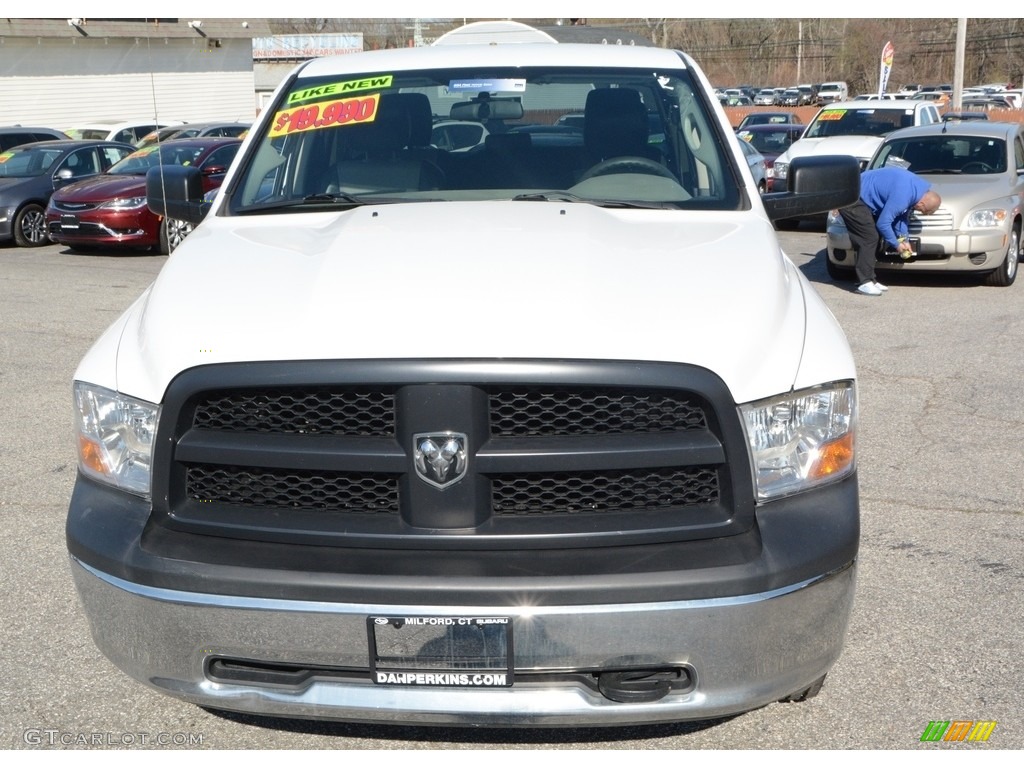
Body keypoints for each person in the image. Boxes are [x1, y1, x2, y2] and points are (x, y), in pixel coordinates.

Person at [838, 166, 942, 296]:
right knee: (869, 237)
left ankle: (870, 279)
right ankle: (864, 282)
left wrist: (904, 240)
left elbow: (902, 217)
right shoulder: (904, 195)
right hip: (852, 196)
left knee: (874, 237)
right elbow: (883, 223)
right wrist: (897, 245)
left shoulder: (918, 190)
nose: (918, 211)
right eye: (921, 211)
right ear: (922, 204)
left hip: (862, 197)